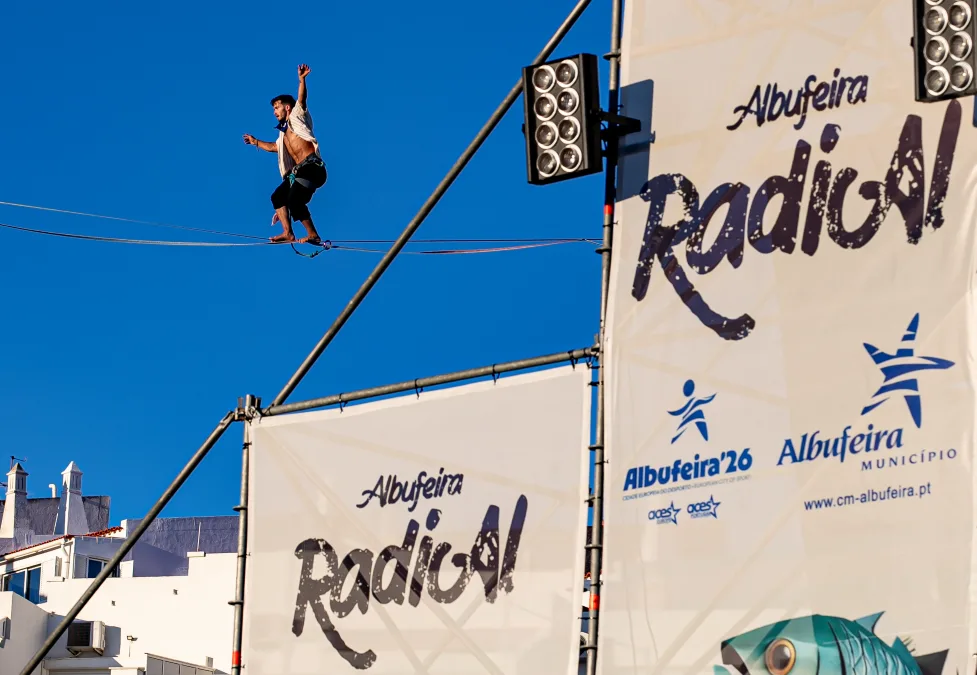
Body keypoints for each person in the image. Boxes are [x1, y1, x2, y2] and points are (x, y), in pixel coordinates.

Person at [243, 64, 327, 245]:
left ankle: (313, 234)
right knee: (278, 197)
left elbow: (302, 100)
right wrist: (256, 142)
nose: (274, 112)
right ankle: (288, 233)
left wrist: (302, 80)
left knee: (294, 200)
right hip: (300, 172)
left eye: (276, 107)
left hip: (313, 167)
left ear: (287, 108)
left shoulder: (297, 116)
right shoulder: (283, 135)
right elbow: (275, 147)